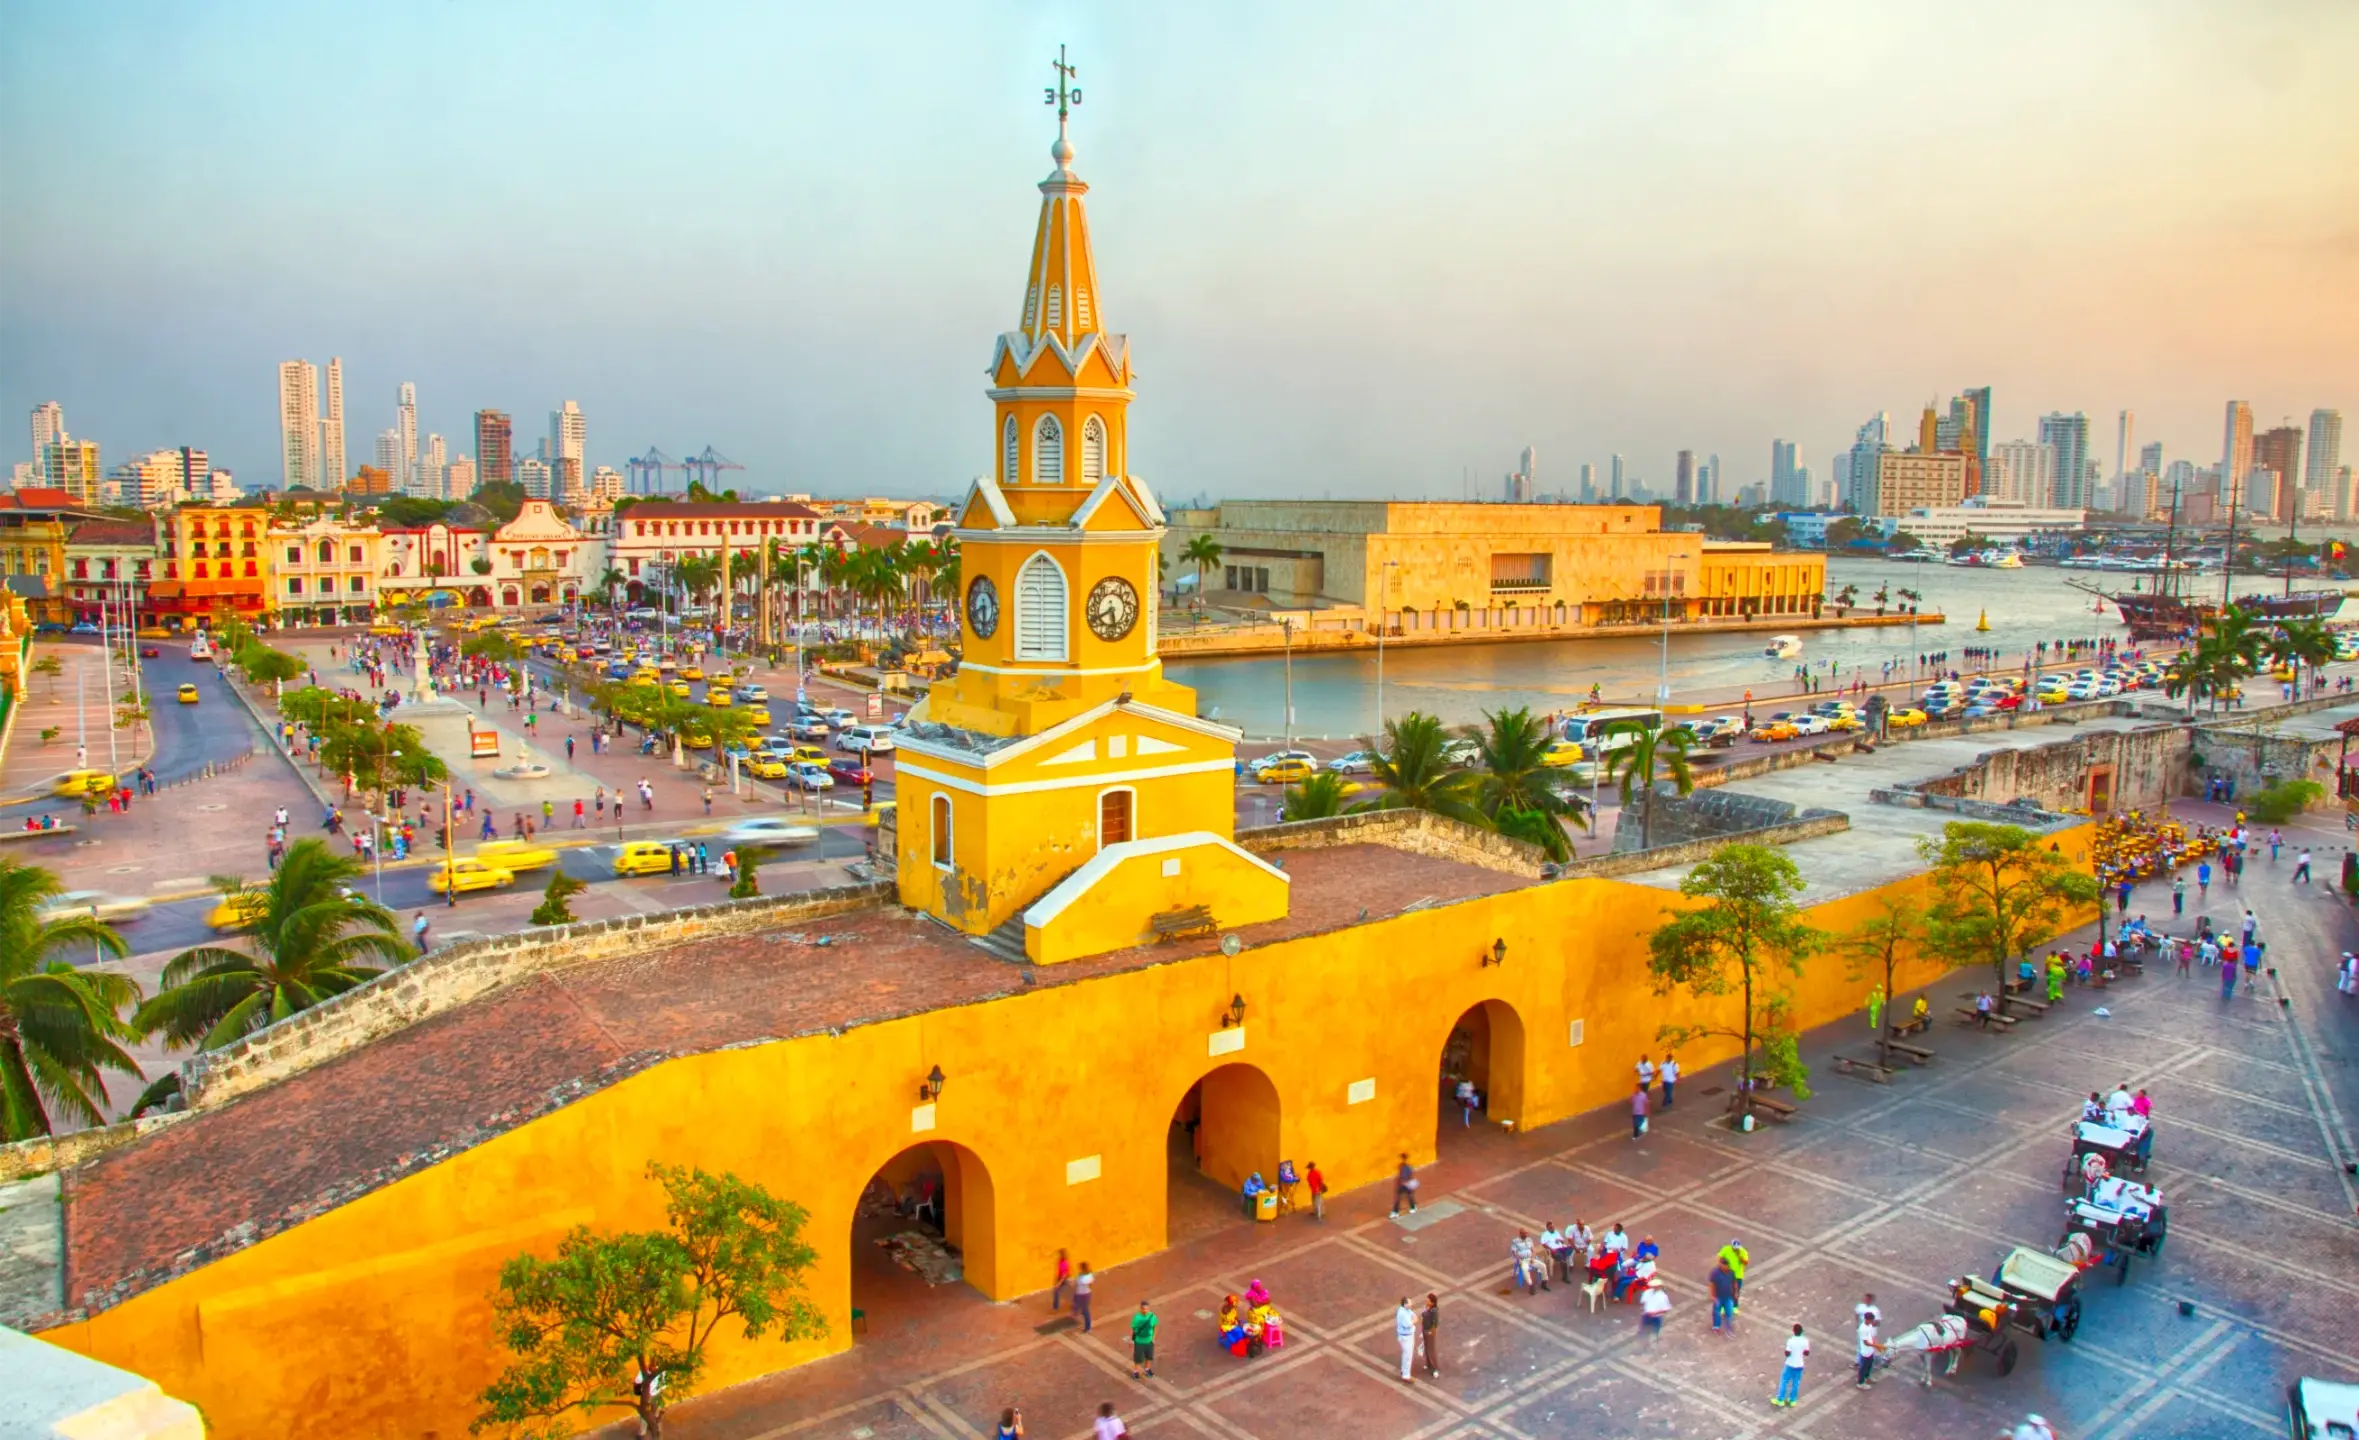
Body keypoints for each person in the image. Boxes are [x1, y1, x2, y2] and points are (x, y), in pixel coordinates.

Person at [1774, 1323, 1810, 1407]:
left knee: (1784, 1381)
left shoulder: (1791, 1341)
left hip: (1790, 1364)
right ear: (1801, 1331)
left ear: (1793, 1331)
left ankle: (1780, 1399)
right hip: (1799, 1365)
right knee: (1796, 1383)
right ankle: (1792, 1400)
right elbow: (1806, 1353)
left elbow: (1787, 1353)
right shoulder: (1805, 1341)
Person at [1716, 1239, 1749, 1309]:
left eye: (1737, 1248)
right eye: (1734, 1248)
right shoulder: (1726, 1249)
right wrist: (1721, 1265)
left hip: (1738, 1275)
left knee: (1736, 1291)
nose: (1735, 1249)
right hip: (1727, 1274)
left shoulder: (1743, 1252)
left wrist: (1739, 1256)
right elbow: (1719, 1257)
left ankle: (1735, 1307)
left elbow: (1746, 1262)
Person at [1128, 1300, 1157, 1380]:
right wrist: (1131, 1340)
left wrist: (1153, 1338)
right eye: (1143, 1309)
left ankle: (1147, 1369)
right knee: (1138, 1358)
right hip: (1139, 1341)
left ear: (1149, 1309)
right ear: (1141, 1309)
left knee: (1149, 1357)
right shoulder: (1137, 1318)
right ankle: (1136, 1371)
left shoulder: (1152, 1316)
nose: (1145, 1311)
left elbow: (1154, 1327)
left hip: (1149, 1341)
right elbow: (1133, 1329)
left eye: (1146, 1309)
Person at [1710, 1257, 1738, 1333]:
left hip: (1728, 1296)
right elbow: (1712, 1284)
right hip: (1718, 1296)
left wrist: (1736, 1292)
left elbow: (1734, 1282)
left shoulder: (1731, 1272)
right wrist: (1712, 1296)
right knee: (1716, 1312)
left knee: (1729, 1311)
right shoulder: (1715, 1273)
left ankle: (1728, 1325)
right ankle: (1716, 1327)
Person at [1393, 1297, 1418, 1384]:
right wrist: (1414, 1320)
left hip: (1407, 1336)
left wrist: (1413, 1318)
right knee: (1408, 1356)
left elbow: (1413, 1314)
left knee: (1406, 1354)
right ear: (1405, 1304)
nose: (1411, 1305)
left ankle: (1404, 1370)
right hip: (1406, 1337)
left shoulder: (1405, 1309)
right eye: (1409, 1303)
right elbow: (1408, 1324)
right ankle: (1406, 1375)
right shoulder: (1402, 1313)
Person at [1854, 1314, 1881, 1387]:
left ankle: (1867, 1378)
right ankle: (1860, 1383)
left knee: (1869, 1366)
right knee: (1863, 1368)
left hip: (1870, 1351)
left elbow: (1871, 1336)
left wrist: (1876, 1344)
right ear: (1868, 1320)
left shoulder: (1869, 1325)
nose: (1873, 1321)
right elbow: (1866, 1342)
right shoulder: (1862, 1329)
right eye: (1872, 1320)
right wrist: (1876, 1345)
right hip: (1865, 1352)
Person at [1419, 1292, 1440, 1377]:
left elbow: (1435, 1323)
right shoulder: (1426, 1307)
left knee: (1431, 1349)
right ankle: (1428, 1365)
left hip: (1430, 1331)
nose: (1426, 1301)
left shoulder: (1434, 1311)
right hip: (1425, 1329)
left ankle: (1434, 1368)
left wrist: (1431, 1332)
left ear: (1432, 1302)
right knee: (1427, 1348)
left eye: (1428, 1300)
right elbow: (1423, 1315)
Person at [1072, 1261, 1093, 1332]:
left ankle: (1088, 1327)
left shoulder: (1086, 1277)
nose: (1079, 1269)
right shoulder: (1083, 1275)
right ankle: (1077, 1313)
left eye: (1080, 1268)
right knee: (1075, 1303)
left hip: (1084, 1294)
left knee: (1085, 1310)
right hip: (1080, 1293)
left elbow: (1088, 1284)